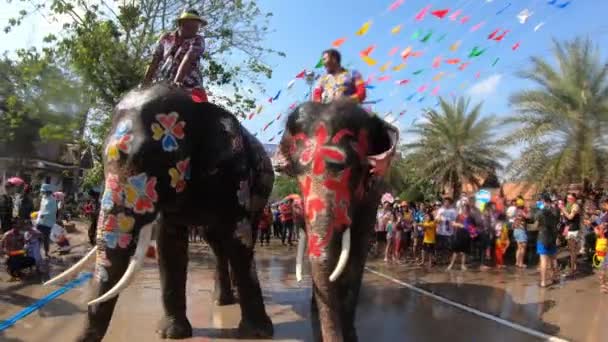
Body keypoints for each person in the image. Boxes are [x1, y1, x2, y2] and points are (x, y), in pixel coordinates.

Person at [142, 9, 208, 101]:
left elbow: (188, 58)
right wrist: (145, 83)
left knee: (203, 110)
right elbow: (155, 59)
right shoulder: (166, 38)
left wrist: (176, 83)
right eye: (190, 26)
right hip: (161, 83)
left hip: (190, 86)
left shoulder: (198, 40)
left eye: (196, 27)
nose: (194, 29)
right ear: (181, 24)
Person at [535, 194, 560, 287]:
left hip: (543, 237)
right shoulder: (556, 211)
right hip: (553, 237)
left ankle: (543, 282)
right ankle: (554, 278)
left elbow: (536, 224)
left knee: (543, 260)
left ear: (544, 201)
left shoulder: (541, 212)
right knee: (554, 258)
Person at [560, 193, 581, 275]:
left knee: (572, 250)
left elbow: (570, 217)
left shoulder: (575, 206)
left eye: (570, 198)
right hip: (569, 228)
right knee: (570, 249)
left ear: (574, 199)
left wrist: (563, 209)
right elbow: (565, 217)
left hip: (574, 229)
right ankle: (573, 266)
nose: (568, 200)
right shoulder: (568, 206)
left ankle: (572, 269)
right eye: (567, 198)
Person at [36, 184, 58, 258]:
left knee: (45, 237)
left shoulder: (53, 200)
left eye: (44, 192)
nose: (43, 193)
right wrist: (38, 213)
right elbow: (41, 209)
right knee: (37, 236)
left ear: (49, 191)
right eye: (43, 192)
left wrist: (44, 214)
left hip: (48, 222)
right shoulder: (43, 198)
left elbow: (53, 210)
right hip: (40, 221)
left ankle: (46, 252)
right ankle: (36, 251)